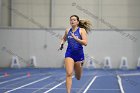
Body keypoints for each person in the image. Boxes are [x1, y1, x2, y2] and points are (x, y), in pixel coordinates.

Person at [59, 15, 91, 93]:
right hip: (69, 54)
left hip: (79, 55)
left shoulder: (81, 30)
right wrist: (62, 43)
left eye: (74, 20)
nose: (72, 21)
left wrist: (76, 38)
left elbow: (85, 43)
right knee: (69, 73)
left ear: (77, 22)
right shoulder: (67, 30)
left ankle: (79, 70)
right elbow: (64, 38)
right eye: (71, 20)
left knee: (78, 77)